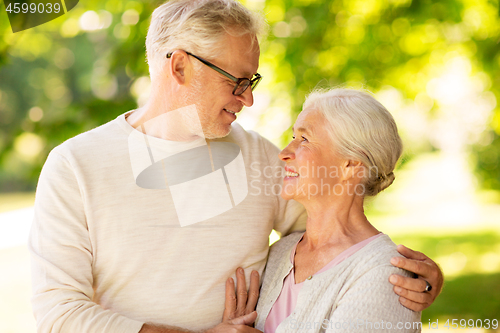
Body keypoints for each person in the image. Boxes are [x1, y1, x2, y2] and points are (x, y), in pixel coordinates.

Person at [28, 1, 443, 333]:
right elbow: (58, 312)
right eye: (237, 81)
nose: (248, 100)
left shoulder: (262, 157)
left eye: (252, 81)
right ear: (180, 67)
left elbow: (334, 237)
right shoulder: (76, 166)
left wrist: (410, 278)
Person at [248, 88, 422, 331]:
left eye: (304, 139)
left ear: (351, 164)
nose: (285, 153)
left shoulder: (384, 275)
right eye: (293, 137)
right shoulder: (280, 254)